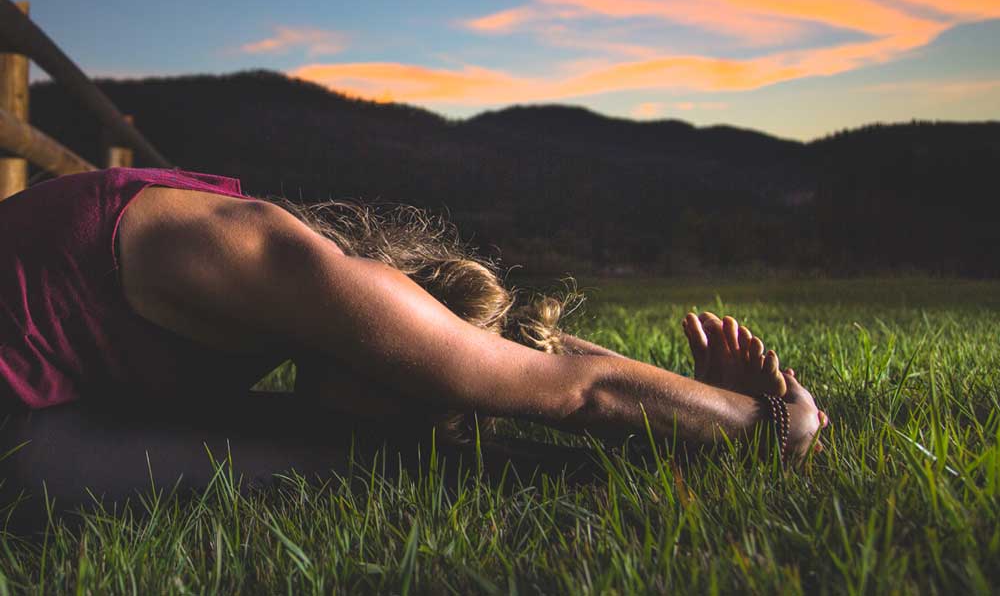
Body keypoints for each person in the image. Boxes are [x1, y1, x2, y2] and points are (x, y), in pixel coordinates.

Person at [0, 166, 827, 528]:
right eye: (434, 390)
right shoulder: (294, 267)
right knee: (353, 458)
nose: (433, 409)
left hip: (54, 403)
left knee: (372, 449)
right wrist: (772, 422)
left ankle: (664, 458)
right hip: (20, 431)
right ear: (403, 322)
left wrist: (683, 399)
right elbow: (575, 391)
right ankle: (681, 459)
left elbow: (534, 360)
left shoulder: (299, 281)